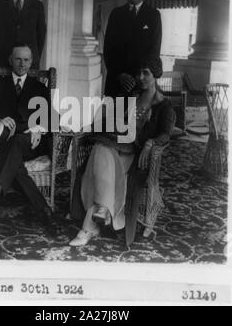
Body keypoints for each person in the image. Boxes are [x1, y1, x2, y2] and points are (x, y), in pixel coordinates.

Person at [69, 58, 175, 246]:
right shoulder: (131, 95)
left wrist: (151, 142)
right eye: (138, 73)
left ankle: (89, 227)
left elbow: (166, 135)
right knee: (100, 147)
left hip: (135, 154)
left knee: (99, 153)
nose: (140, 77)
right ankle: (102, 210)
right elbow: (110, 118)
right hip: (116, 145)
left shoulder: (164, 106)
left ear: (156, 74)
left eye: (146, 73)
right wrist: (87, 126)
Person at [0, 44, 53, 224]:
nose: (22, 64)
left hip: (31, 144)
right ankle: (43, 207)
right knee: (13, 146)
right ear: (10, 60)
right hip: (4, 144)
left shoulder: (39, 88)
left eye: (26, 60)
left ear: (31, 62)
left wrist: (39, 128)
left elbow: (54, 118)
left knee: (16, 141)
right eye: (18, 59)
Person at [104, 0, 162, 97]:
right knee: (114, 116)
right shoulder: (116, 14)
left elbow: (154, 52)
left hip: (140, 85)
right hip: (117, 82)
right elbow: (108, 50)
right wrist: (120, 75)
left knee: (137, 116)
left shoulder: (153, 16)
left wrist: (137, 77)